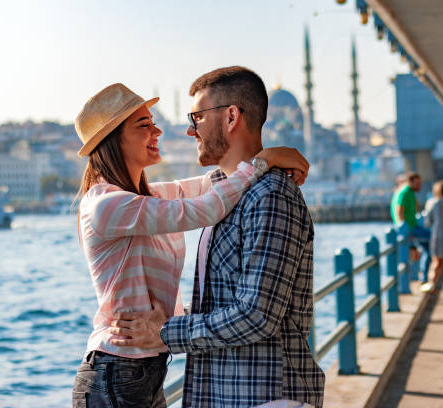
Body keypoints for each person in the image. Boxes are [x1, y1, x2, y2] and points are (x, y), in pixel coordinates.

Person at [71, 82, 309, 408]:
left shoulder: (144, 198)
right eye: (144, 125)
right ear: (113, 141)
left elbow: (205, 186)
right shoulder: (105, 205)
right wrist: (259, 164)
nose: (158, 131)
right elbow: (205, 208)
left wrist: (268, 159)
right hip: (115, 372)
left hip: (143, 371)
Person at [391, 172, 431, 284]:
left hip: (412, 227)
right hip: (409, 229)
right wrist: (404, 229)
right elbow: (399, 211)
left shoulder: (409, 192)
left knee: (425, 247)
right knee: (433, 239)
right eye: (417, 183)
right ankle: (423, 277)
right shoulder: (404, 193)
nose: (420, 186)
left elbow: (415, 209)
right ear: (410, 182)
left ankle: (420, 274)